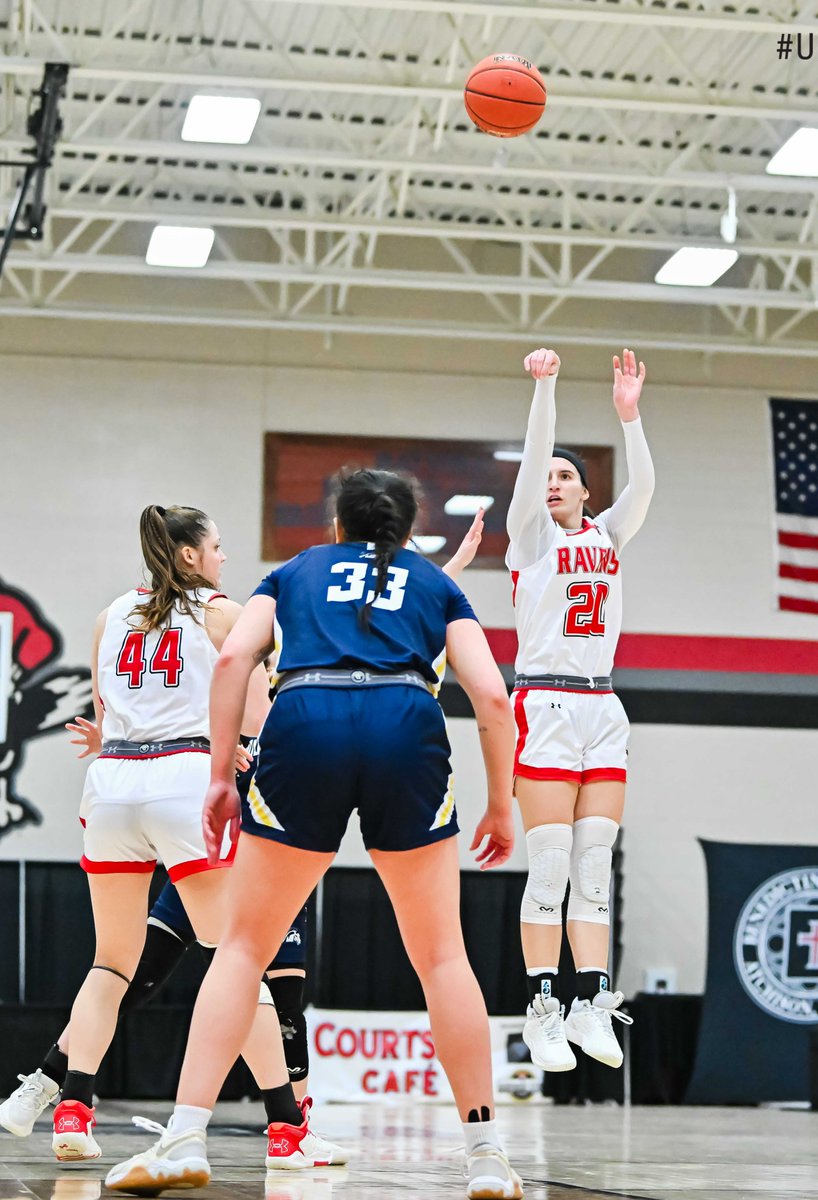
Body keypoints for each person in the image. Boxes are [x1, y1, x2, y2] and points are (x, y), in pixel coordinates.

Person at [106, 468, 522, 1200]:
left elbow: (234, 660)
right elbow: (491, 694)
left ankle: (182, 1138)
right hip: (405, 724)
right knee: (442, 956)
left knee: (241, 947)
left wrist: (217, 775)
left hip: (307, 721)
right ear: (404, 529)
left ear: (338, 527)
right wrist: (502, 803)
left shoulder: (295, 571)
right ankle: (487, 1155)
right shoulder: (432, 582)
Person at [31, 505, 297, 1165]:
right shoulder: (224, 614)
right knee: (237, 959)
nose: (224, 558)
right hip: (182, 782)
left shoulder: (107, 617)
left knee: (110, 961)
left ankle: (72, 1112)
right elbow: (268, 717)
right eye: (216, 546)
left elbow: (105, 714)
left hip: (114, 786)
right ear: (189, 556)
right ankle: (289, 1127)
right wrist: (234, 744)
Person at [505, 347, 654, 1074]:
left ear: (589, 494)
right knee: (552, 866)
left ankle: (592, 1001)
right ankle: (541, 1008)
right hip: (546, 702)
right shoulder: (529, 536)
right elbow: (534, 462)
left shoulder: (609, 535)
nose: (555, 483)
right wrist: (548, 389)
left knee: (596, 867)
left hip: (603, 706)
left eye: (569, 476)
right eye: (550, 477)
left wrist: (630, 420)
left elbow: (648, 488)